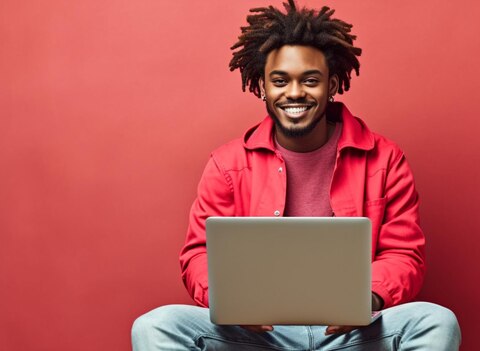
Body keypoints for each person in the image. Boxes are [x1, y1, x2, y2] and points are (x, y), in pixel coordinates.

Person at [132, 1, 461, 349]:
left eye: (310, 80)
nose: (294, 93)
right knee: (154, 326)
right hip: (260, 335)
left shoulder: (385, 158)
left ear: (332, 84)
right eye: (280, 80)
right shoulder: (226, 164)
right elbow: (199, 255)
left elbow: (404, 253)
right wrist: (231, 302)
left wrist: (367, 299)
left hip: (351, 333)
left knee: (437, 322)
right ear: (261, 85)